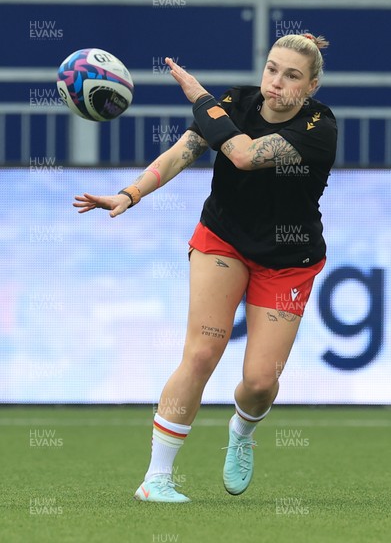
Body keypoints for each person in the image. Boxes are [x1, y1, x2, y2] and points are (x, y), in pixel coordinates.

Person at [73, 33, 337, 503]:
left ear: (312, 86)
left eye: (292, 76)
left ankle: (241, 431)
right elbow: (184, 151)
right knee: (201, 352)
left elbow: (243, 154)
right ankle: (156, 479)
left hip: (288, 260)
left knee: (259, 382)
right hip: (223, 239)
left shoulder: (320, 128)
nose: (276, 83)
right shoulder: (237, 101)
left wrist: (200, 98)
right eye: (272, 69)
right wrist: (129, 194)